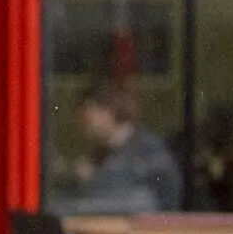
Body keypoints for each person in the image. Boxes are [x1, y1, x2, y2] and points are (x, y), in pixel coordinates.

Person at [61, 79, 182, 213]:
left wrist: (93, 179)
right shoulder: (103, 152)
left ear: (106, 111)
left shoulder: (148, 150)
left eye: (86, 119)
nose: (84, 127)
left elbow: (151, 200)